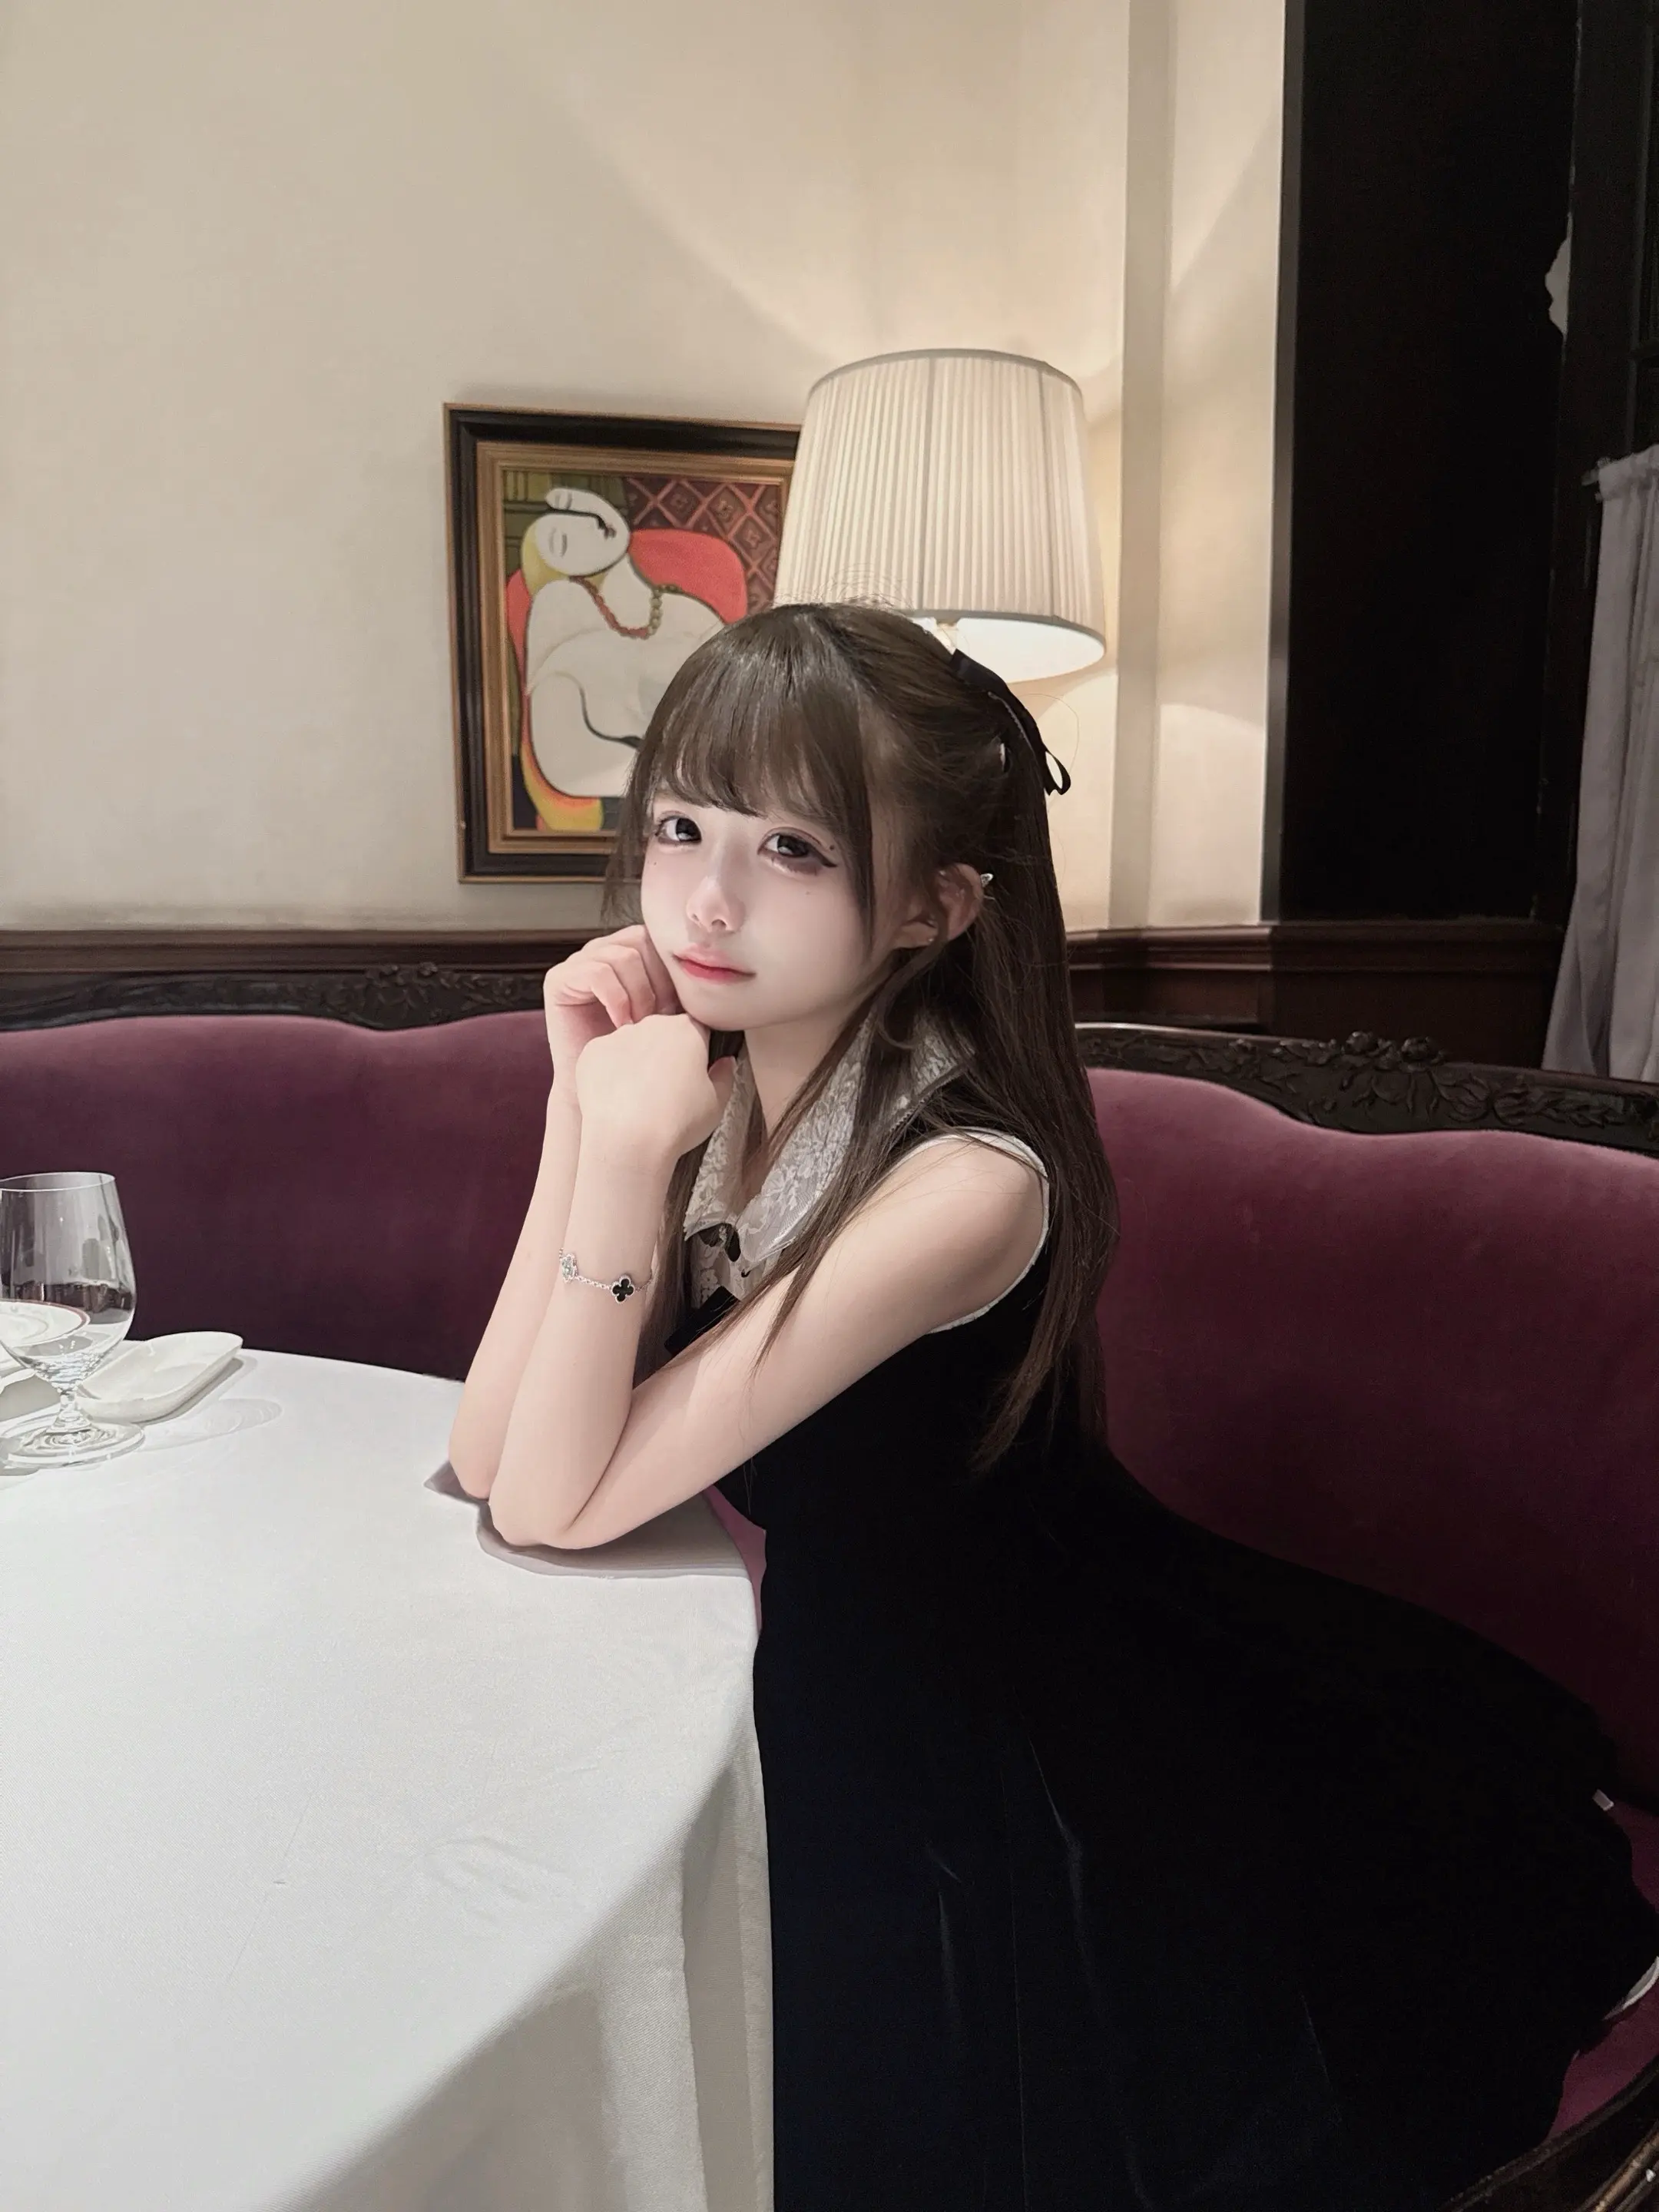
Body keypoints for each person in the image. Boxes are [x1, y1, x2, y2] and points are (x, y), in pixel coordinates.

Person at [449, 604, 1659, 2212]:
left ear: (936, 904)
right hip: (832, 1646)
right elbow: (489, 1454)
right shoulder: (711, 1083)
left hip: (1010, 1691)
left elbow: (550, 1501)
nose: (705, 900)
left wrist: (616, 1154)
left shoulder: (965, 1179)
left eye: (794, 849)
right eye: (680, 827)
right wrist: (577, 1103)